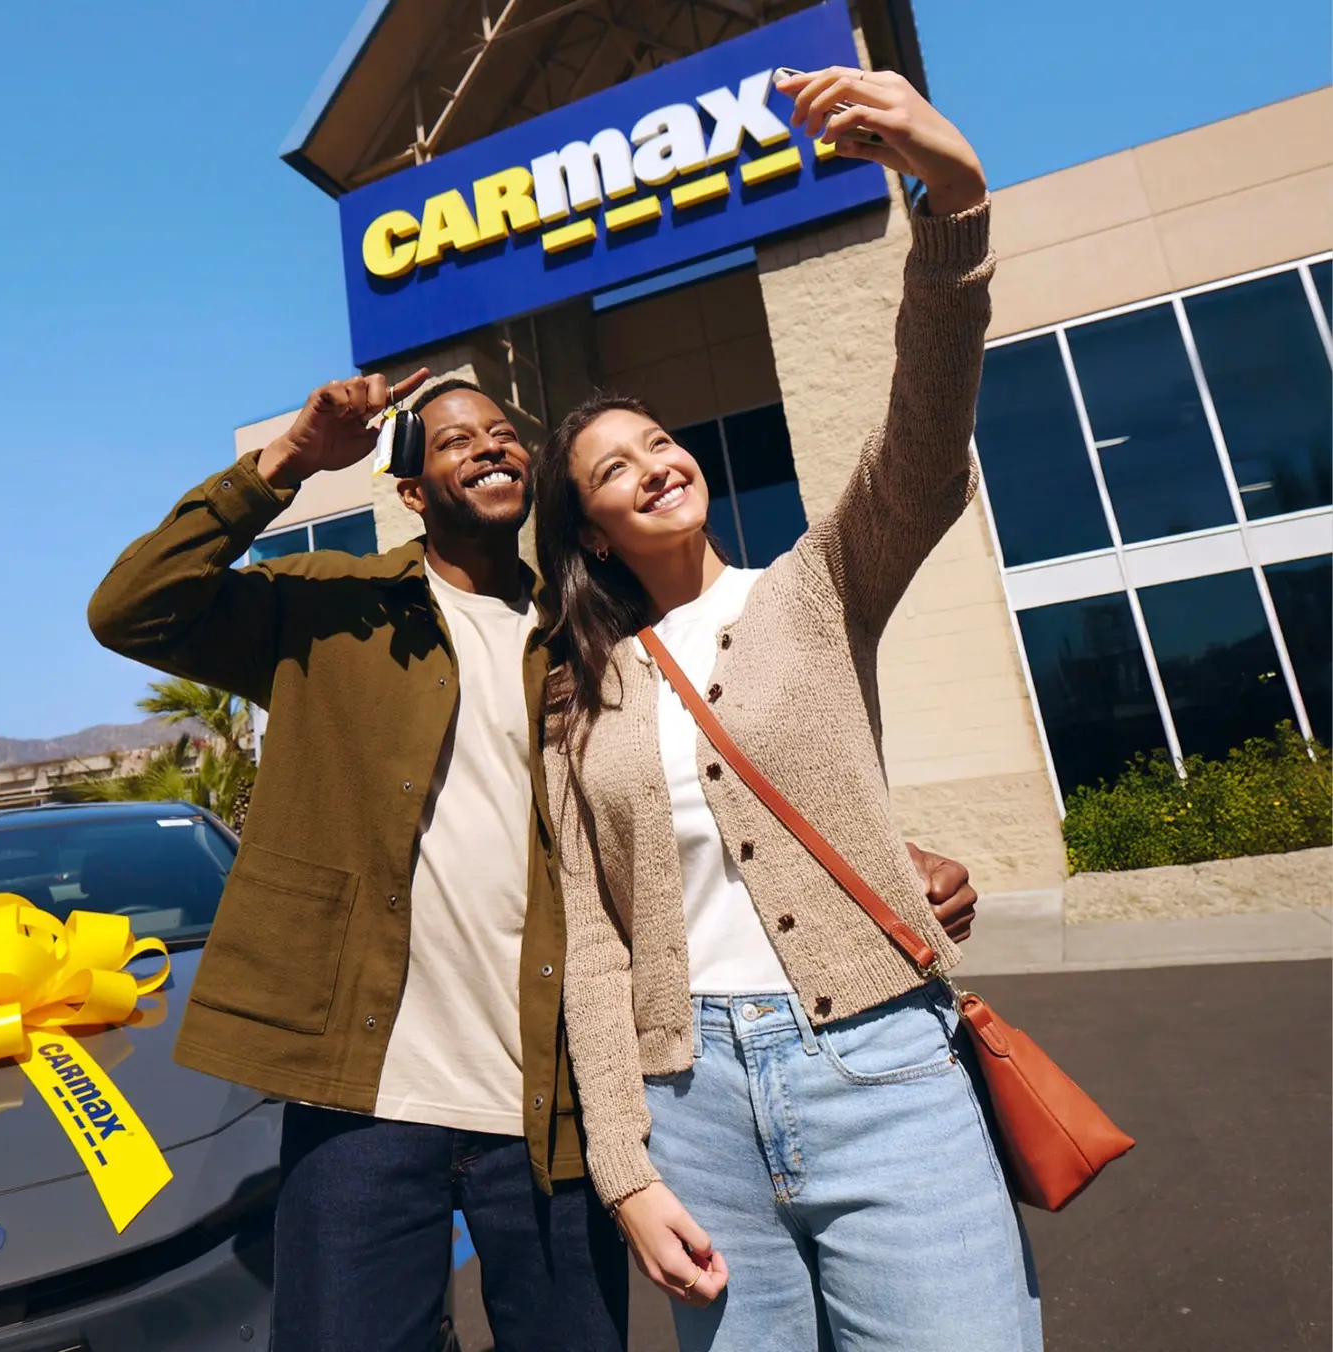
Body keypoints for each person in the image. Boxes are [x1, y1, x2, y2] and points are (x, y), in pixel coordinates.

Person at [87, 300, 982, 1348]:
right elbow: (133, 609)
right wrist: (288, 458)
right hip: (368, 1095)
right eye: (454, 439)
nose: (489, 445)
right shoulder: (327, 609)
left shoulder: (585, 644)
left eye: (504, 433)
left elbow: (686, 803)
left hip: (548, 1101)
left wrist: (878, 860)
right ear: (412, 490)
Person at [533, 69, 1041, 1352]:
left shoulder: (813, 587)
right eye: (612, 470)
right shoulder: (573, 695)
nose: (652, 466)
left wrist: (952, 203)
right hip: (687, 1099)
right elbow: (595, 940)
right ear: (588, 528)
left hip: (883, 1065)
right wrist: (627, 1170)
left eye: (658, 443)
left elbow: (922, 436)